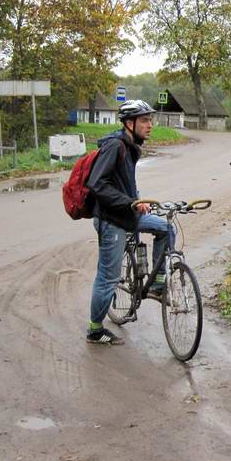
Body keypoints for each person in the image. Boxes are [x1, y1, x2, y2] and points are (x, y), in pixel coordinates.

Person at [84, 100, 175, 345]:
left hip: (129, 213)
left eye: (150, 120)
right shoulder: (115, 146)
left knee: (166, 227)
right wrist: (129, 202)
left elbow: (123, 182)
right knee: (108, 277)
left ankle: (157, 282)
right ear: (129, 123)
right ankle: (95, 329)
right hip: (111, 220)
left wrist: (138, 201)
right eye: (145, 120)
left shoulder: (131, 146)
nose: (150, 125)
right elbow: (97, 184)